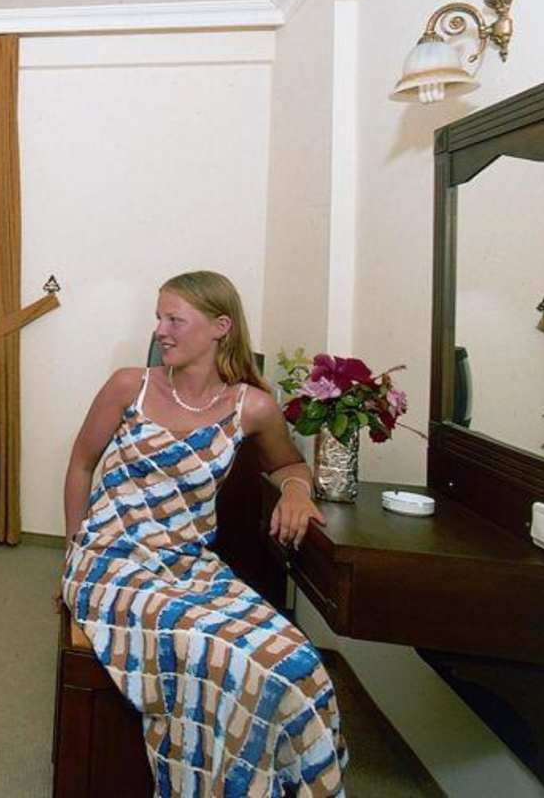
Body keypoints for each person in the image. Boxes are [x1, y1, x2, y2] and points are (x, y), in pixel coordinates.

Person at [61, 271, 345, 797]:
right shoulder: (129, 385)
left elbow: (289, 465)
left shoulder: (252, 407)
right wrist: (73, 553)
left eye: (174, 319)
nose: (160, 331)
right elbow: (81, 465)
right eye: (159, 318)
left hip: (188, 563)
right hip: (109, 557)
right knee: (208, 642)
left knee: (296, 660)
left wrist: (296, 492)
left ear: (220, 326)